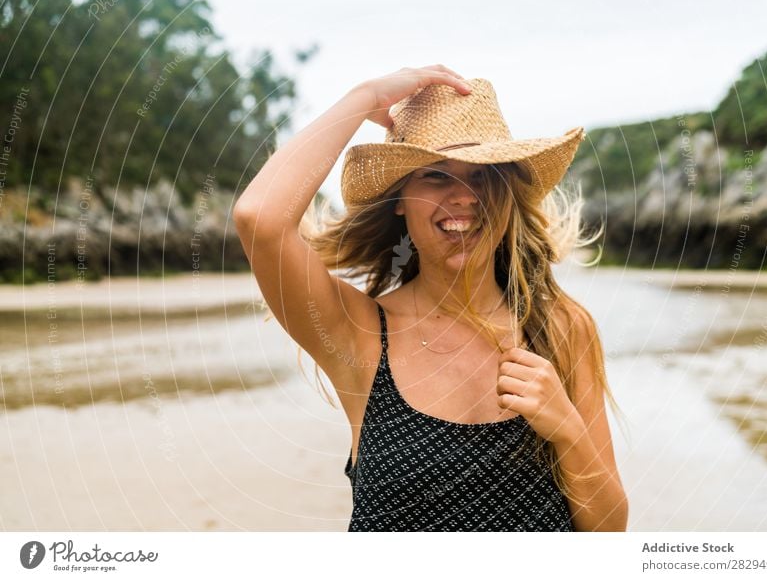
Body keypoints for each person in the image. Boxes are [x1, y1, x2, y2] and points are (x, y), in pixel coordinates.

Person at [233, 65, 628, 532]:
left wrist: (567, 430)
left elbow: (608, 531)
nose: (463, 197)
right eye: (436, 176)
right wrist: (364, 95)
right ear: (400, 198)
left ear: (507, 192)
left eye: (482, 176)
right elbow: (259, 218)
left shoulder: (560, 327)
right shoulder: (358, 334)